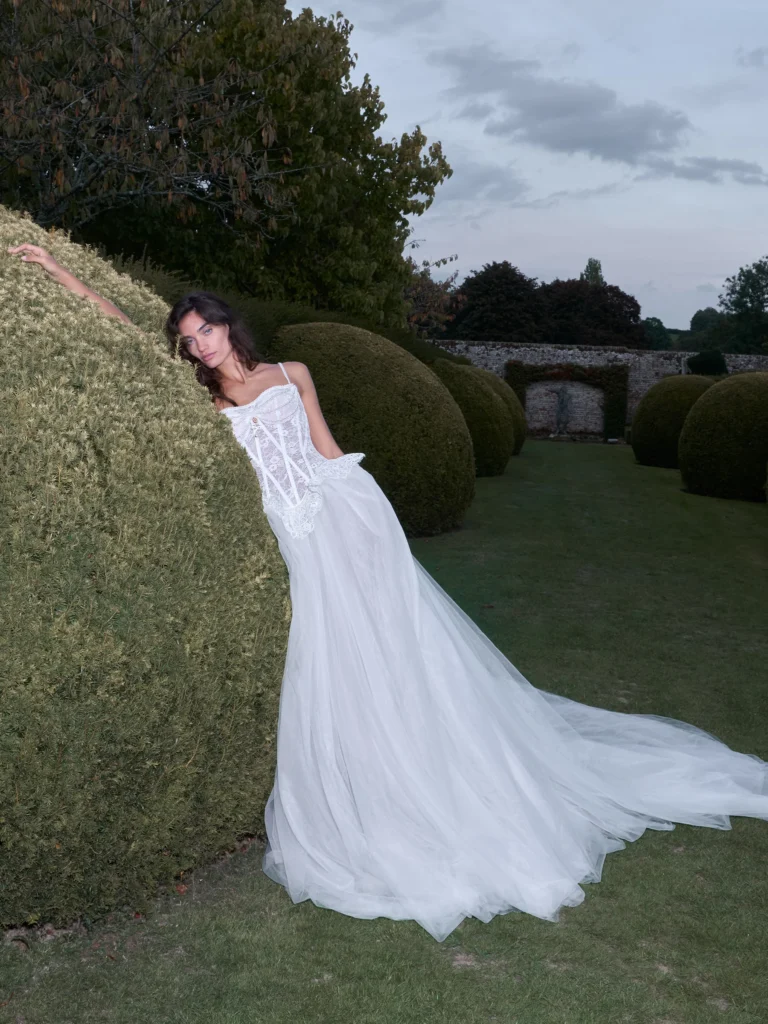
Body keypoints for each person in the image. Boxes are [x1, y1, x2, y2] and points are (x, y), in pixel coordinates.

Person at [11, 243, 768, 944]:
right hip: (289, 535)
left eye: (206, 329)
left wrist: (375, 524)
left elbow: (329, 451)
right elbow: (131, 334)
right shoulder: (200, 395)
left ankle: (424, 775)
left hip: (341, 516)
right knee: (333, 660)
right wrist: (56, 270)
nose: (200, 343)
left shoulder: (294, 372)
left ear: (225, 326)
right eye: (190, 338)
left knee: (390, 643)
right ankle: (368, 790)